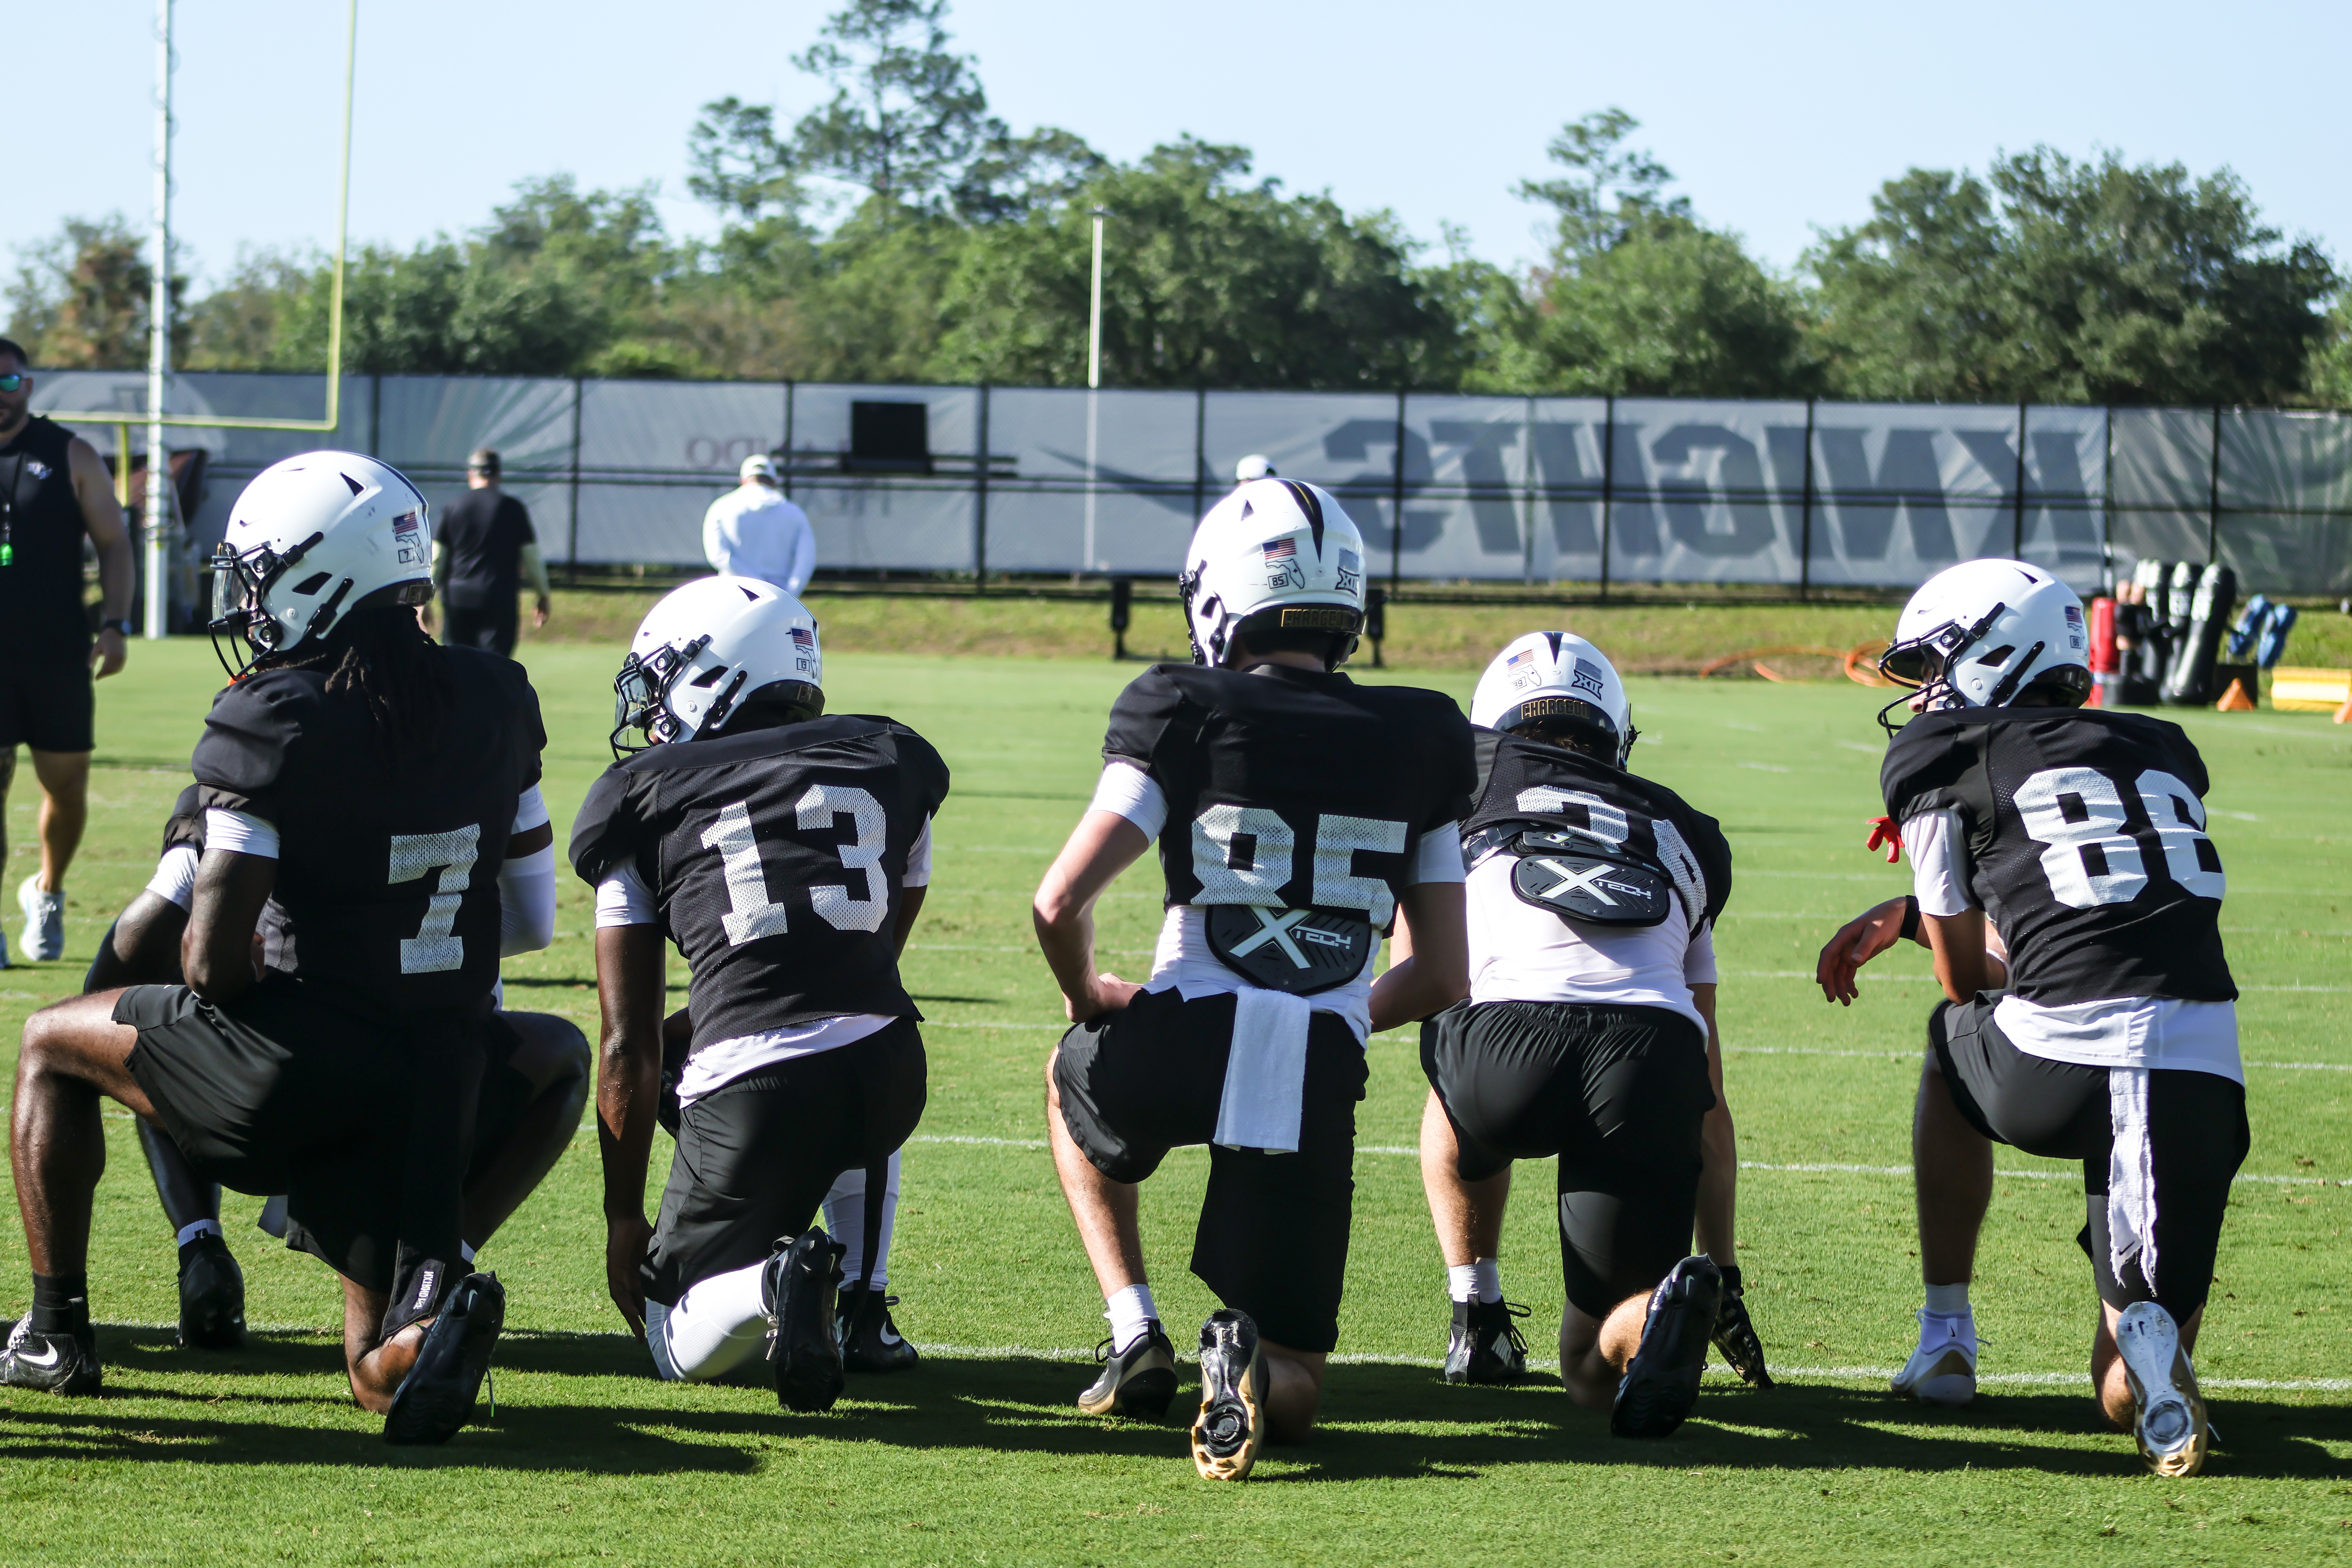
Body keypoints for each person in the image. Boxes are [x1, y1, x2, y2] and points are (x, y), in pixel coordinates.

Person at [2, 451, 552, 1447]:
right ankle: (422, 1318)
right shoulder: (498, 692)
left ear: (317, 574)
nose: (248, 600)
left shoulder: (274, 710)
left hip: (294, 1075)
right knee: (373, 1369)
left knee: (50, 1040)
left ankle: (55, 1329)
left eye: (257, 575)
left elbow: (209, 966)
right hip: (438, 1075)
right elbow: (530, 922)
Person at [1034, 477, 1475, 1481]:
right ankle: (1242, 1365)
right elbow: (1445, 970)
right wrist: (1337, 1011)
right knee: (1301, 1383)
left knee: (1069, 1076)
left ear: (1216, 595)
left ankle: (1133, 1327)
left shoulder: (1179, 703)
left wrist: (1089, 996)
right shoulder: (1424, 731)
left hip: (1181, 1034)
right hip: (1315, 1062)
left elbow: (1058, 901)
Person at [1815, 558, 2242, 1478]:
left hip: (2063, 1067)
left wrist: (1920, 919)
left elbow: (1963, 976)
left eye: (1935, 664)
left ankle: (1945, 1336)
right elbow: (2097, 925)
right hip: (2202, 1074)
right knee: (2120, 1389)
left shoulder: (1944, 754)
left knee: (1950, 1039)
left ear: (1993, 652)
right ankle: (2150, 1355)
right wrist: (1912, 910)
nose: (1925, 691)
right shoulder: (2161, 746)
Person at [573, 575, 947, 1408]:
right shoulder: (889, 757)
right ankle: (866, 1304)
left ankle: (774, 1280)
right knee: (853, 1029)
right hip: (892, 1067)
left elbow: (627, 1043)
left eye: (663, 679)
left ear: (712, 676)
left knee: (671, 1339)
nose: (653, 705)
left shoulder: (642, 795)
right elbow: (875, 950)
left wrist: (623, 1215)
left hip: (758, 1090)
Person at [86, 784, 588, 1353]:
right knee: (563, 1055)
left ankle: (198, 1248)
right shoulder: (487, 754)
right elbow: (531, 925)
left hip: (279, 1097)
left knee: (155, 1033)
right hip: (437, 1093)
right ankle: (441, 1270)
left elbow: (146, 933)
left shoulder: (268, 768)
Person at [1413, 632, 1767, 1438]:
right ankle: (1647, 1321)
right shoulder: (1685, 830)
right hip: (1651, 1058)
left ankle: (1476, 1313)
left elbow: (1425, 972)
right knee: (1586, 1368)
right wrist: (1724, 1267)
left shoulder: (1464, 784)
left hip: (1501, 1052)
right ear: (1615, 733)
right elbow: (1709, 1093)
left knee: (1447, 1024)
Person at [0, 338, 139, 967]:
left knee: (67, 785)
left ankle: (48, 891)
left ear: (27, 386)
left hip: (57, 651)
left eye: (9, 382)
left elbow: (114, 543)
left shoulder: (70, 453)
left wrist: (115, 624)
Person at [430, 448, 550, 658]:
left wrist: (425, 600)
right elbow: (531, 557)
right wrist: (542, 593)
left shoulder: (454, 507)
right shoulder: (512, 508)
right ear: (499, 474)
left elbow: (438, 558)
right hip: (498, 597)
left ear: (470, 474)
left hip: (458, 598)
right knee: (496, 664)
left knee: (457, 663)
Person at [702, 454, 815, 597]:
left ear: (742, 480)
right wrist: (789, 594)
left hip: (733, 594)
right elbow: (807, 560)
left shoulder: (721, 507)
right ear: (773, 482)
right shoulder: (795, 513)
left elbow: (717, 555)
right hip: (778, 594)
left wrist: (756, 586)